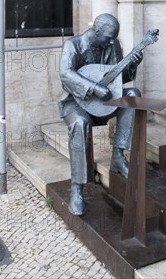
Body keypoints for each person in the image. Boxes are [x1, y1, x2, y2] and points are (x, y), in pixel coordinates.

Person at [59, 13, 143, 215]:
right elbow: (65, 74)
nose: (112, 41)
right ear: (96, 31)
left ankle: (118, 155)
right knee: (80, 122)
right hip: (75, 103)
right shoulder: (73, 45)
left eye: (114, 37)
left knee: (133, 94)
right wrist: (94, 88)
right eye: (108, 37)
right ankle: (77, 189)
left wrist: (132, 64)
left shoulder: (112, 45)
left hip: (103, 105)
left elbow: (118, 79)